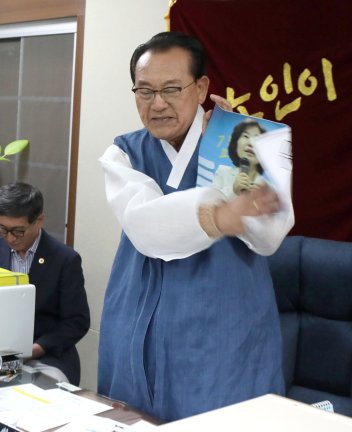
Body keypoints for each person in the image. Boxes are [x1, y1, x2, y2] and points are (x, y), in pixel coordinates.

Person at [97, 31, 294, 421]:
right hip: (138, 313)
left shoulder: (244, 139)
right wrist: (217, 214)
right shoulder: (124, 151)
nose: (158, 104)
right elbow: (144, 225)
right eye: (144, 91)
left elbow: (271, 234)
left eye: (172, 89)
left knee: (225, 417)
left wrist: (223, 147)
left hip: (224, 322)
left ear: (201, 87)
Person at [0, 182, 90, 384]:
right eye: (2, 229)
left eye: (18, 231)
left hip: (47, 357)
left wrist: (34, 350)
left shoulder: (64, 259)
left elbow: (76, 322)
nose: (10, 238)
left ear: (39, 221)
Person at [212, 119, 267, 198]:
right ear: (236, 143)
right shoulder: (223, 172)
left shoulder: (269, 190)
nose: (250, 143)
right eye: (246, 136)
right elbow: (209, 206)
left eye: (257, 139)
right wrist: (233, 190)